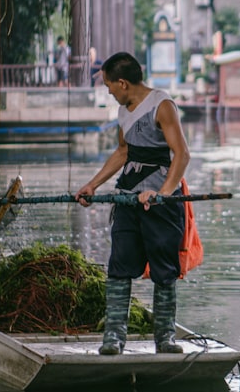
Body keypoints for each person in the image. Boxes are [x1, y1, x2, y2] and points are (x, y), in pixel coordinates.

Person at [75, 52, 191, 355]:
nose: (108, 91)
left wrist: (163, 193)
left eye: (109, 85)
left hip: (161, 201)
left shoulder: (162, 105)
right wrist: (93, 184)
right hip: (127, 197)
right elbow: (123, 152)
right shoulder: (124, 110)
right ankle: (113, 338)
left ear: (123, 83)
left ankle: (165, 338)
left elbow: (181, 154)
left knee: (164, 269)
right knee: (119, 265)